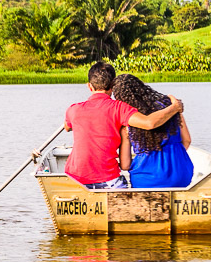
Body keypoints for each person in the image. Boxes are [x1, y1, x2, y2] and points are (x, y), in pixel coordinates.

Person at [62, 62, 183, 190]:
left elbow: (67, 127)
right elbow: (149, 123)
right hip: (109, 180)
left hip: (74, 179)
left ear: (89, 86)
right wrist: (174, 108)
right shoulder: (119, 108)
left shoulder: (73, 109)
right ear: (112, 87)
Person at [111, 74, 194, 188]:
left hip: (145, 181)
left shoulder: (128, 125)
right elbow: (187, 140)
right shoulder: (171, 107)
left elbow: (125, 165)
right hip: (181, 175)